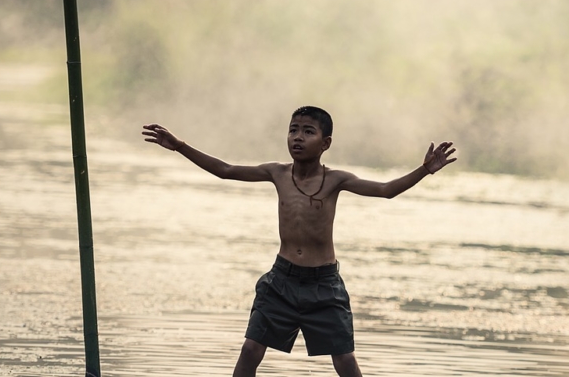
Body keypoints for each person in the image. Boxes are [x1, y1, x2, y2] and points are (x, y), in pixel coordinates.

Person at [142, 106, 457, 377]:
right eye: (293, 130)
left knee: (345, 361)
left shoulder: (336, 180)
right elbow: (226, 170)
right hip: (281, 281)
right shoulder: (277, 173)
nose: (297, 137)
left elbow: (386, 190)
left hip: (324, 286)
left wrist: (425, 170)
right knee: (250, 350)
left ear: (325, 143)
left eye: (308, 131)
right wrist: (180, 146)